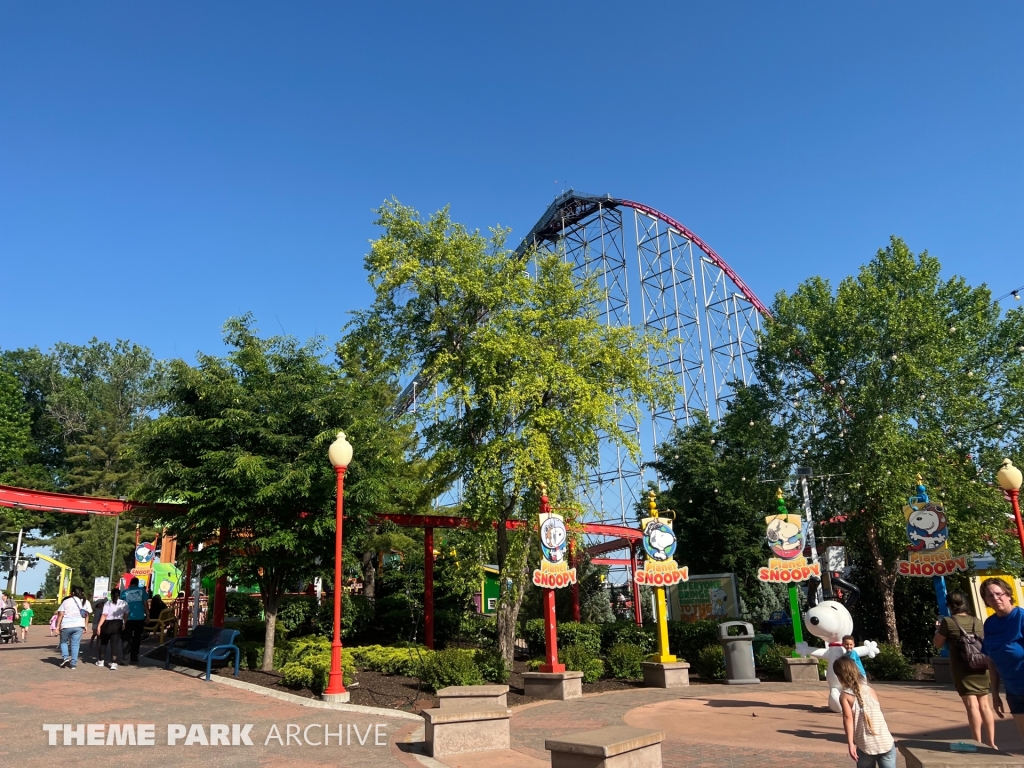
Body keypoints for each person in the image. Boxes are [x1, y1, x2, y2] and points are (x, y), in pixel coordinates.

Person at [934, 590, 995, 748]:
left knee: (972, 706)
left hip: (963, 669)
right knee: (985, 705)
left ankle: (977, 742)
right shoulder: (977, 621)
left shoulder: (949, 622)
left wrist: (937, 629)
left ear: (950, 605)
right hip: (982, 666)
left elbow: (938, 644)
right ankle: (992, 743)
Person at [980, 577, 1024, 743]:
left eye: (998, 594)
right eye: (990, 596)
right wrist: (995, 694)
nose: (995, 598)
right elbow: (991, 660)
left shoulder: (1021, 618)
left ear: (1008, 594)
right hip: (1013, 691)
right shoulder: (990, 624)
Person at [835, 655, 896, 768]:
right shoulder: (871, 690)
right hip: (886, 742)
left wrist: (851, 743)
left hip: (866, 746)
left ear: (839, 676)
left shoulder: (845, 696)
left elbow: (848, 719)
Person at [54, 586, 92, 669]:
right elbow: (86, 615)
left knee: (63, 642)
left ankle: (66, 658)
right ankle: (73, 663)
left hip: (66, 625)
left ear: (72, 593)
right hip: (79, 625)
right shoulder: (85, 602)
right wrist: (85, 625)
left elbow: (60, 614)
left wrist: (57, 626)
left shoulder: (66, 601)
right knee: (75, 644)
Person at [95, 588, 127, 670]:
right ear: (119, 594)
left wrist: (99, 626)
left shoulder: (108, 603)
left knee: (104, 642)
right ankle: (114, 663)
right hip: (118, 624)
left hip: (107, 623)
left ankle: (101, 660)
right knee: (115, 644)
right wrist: (124, 623)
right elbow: (126, 614)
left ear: (111, 595)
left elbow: (104, 615)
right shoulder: (124, 603)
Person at [121, 577, 149, 664]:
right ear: (137, 583)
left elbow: (121, 606)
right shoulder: (142, 591)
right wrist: (148, 616)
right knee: (137, 638)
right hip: (139, 617)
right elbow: (145, 605)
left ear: (131, 583)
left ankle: (125, 657)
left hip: (127, 618)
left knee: (126, 638)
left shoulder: (124, 592)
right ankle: (134, 657)